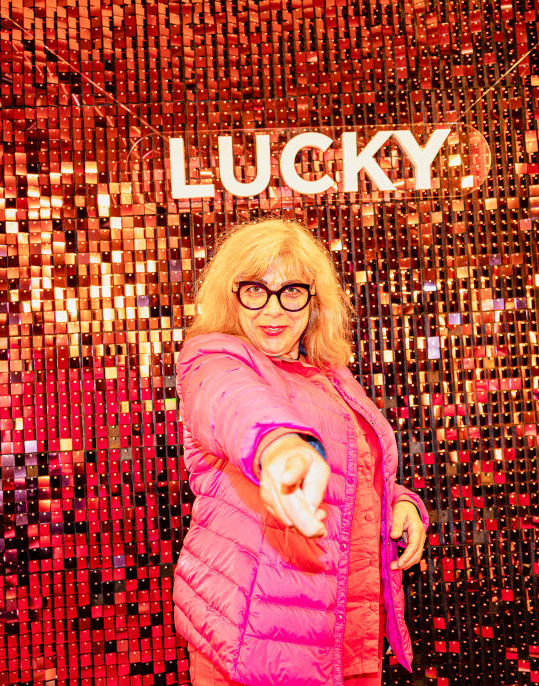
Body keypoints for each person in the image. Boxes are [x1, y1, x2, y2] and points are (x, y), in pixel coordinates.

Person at [174, 218, 428, 686]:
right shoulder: (215, 360)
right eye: (255, 289)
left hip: (347, 633)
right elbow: (237, 408)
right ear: (231, 295)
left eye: (291, 291)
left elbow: (350, 477)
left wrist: (399, 503)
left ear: (313, 302)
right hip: (258, 644)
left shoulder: (331, 376)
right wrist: (280, 448)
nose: (274, 309)